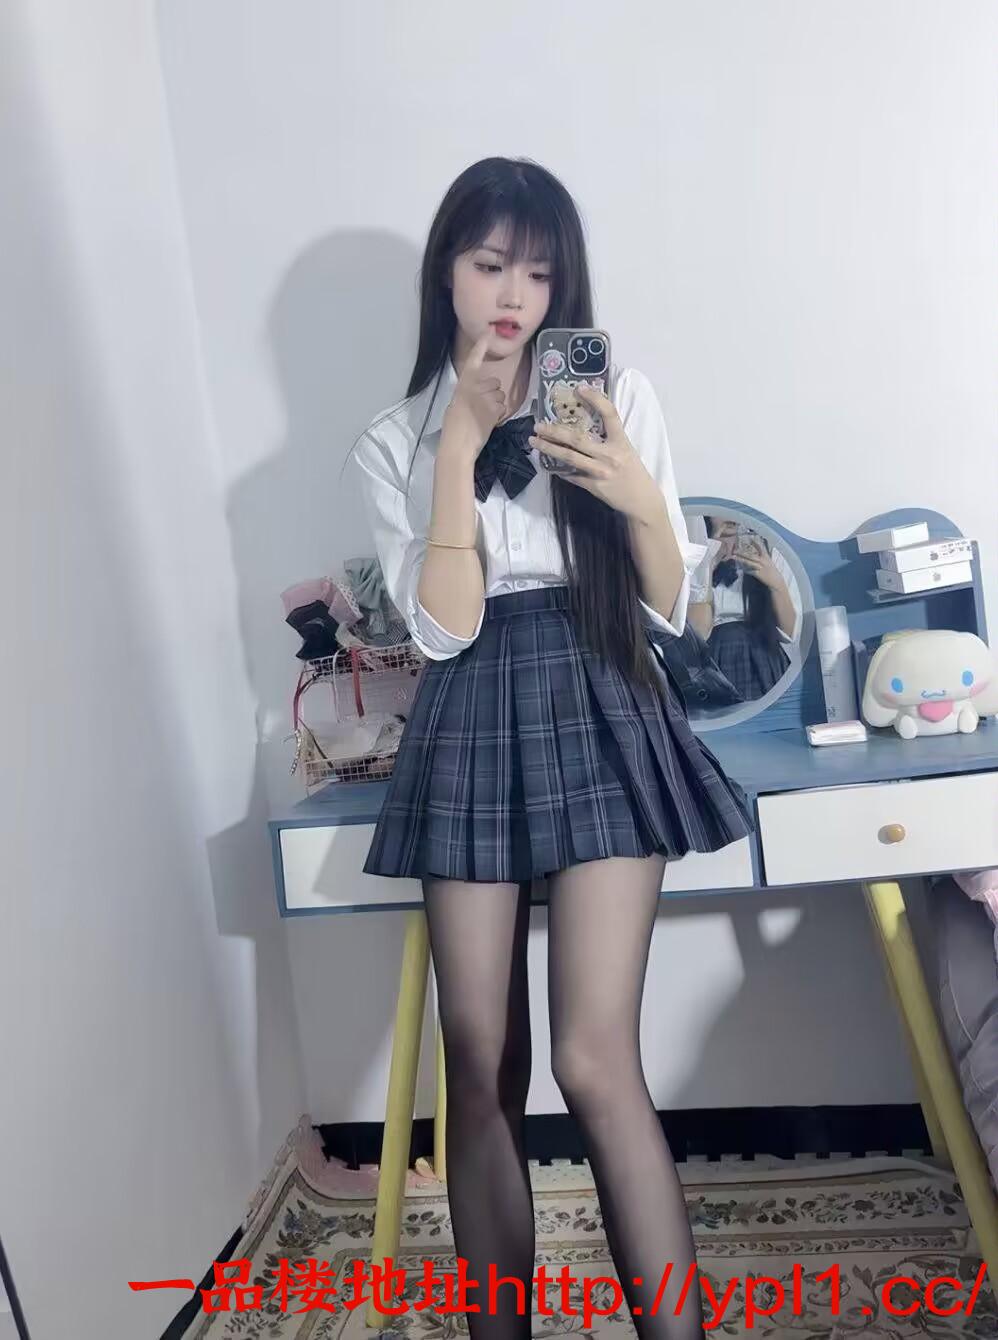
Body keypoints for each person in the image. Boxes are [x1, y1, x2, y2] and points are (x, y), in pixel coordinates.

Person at [350, 156, 754, 1339]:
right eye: (489, 264)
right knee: (478, 1059)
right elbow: (441, 630)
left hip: (599, 683)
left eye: (536, 270)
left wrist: (631, 490)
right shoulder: (393, 438)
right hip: (470, 702)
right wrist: (456, 454)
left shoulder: (613, 394)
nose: (512, 294)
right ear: (447, 272)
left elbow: (673, 605)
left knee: (591, 1055)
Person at [688, 517, 801, 701]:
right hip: (713, 657)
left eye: (730, 526)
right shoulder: (692, 560)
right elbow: (697, 631)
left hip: (763, 655)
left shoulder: (770, 554)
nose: (721, 537)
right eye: (712, 529)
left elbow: (791, 632)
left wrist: (776, 583)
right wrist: (706, 566)